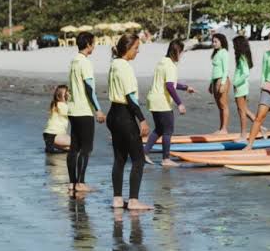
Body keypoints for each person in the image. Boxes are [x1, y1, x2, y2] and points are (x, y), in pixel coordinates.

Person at [107, 33, 152, 210]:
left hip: (113, 114)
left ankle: (117, 199)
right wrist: (142, 119)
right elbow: (130, 97)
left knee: (119, 158)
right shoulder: (125, 67)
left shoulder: (114, 64)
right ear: (127, 49)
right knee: (138, 159)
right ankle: (133, 200)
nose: (138, 51)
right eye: (135, 48)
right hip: (125, 115)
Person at [143, 39, 195, 167]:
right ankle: (166, 159)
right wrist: (180, 103)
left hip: (153, 99)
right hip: (162, 102)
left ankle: (144, 152)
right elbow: (170, 86)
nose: (182, 56)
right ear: (176, 52)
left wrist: (185, 87)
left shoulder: (162, 62)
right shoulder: (171, 66)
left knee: (160, 129)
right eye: (181, 53)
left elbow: (169, 83)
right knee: (168, 130)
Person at [67, 32, 106, 194]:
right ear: (88, 44)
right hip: (84, 111)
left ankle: (72, 183)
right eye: (93, 43)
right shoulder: (85, 63)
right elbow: (89, 89)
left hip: (73, 110)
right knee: (86, 148)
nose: (94, 46)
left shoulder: (73, 62)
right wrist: (98, 110)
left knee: (74, 148)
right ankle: (81, 183)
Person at [232, 36, 267, 141]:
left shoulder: (242, 57)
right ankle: (261, 127)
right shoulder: (243, 57)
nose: (233, 47)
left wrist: (236, 83)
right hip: (242, 86)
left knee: (241, 111)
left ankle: (243, 135)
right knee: (244, 109)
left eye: (234, 45)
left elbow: (245, 73)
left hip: (240, 87)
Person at [209, 33, 230, 134]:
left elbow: (226, 70)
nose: (214, 43)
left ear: (222, 41)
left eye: (216, 41)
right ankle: (221, 128)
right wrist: (210, 83)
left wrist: (222, 83)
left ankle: (224, 129)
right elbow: (214, 70)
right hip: (215, 81)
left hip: (222, 80)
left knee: (224, 105)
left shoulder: (224, 52)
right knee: (219, 106)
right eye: (213, 42)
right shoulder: (216, 53)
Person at [43, 85, 71, 153]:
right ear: (62, 96)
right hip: (55, 135)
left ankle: (51, 147)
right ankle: (52, 147)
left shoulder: (55, 104)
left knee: (70, 149)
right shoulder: (62, 105)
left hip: (48, 135)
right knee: (78, 142)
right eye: (68, 93)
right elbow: (73, 112)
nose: (69, 94)